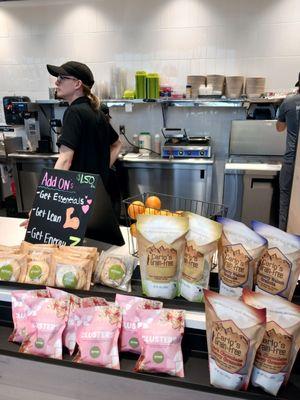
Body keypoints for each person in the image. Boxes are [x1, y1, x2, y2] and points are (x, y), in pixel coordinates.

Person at [276, 73, 300, 231]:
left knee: (285, 202)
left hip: (291, 162)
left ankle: (284, 244)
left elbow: (280, 128)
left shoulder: (289, 101)